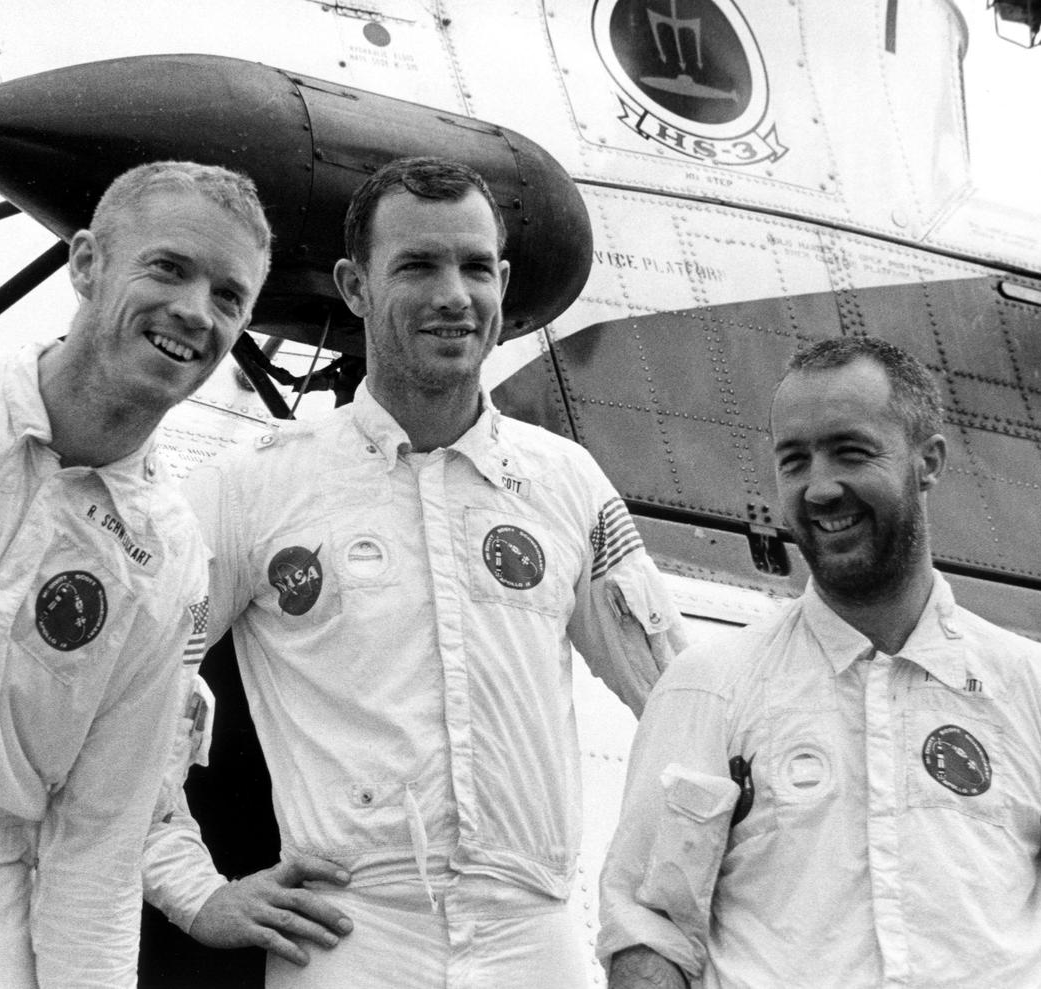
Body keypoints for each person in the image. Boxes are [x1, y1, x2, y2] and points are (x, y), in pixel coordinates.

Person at [142, 156, 687, 986]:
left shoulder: (565, 481)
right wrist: (193, 890)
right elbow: (127, 690)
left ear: (502, 281)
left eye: (474, 267)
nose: (453, 295)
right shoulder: (253, 483)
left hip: (533, 929)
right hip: (352, 927)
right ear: (355, 286)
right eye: (418, 265)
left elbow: (689, 704)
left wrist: (652, 921)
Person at [0, 160, 272, 988]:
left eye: (229, 296)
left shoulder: (170, 559)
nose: (194, 311)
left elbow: (100, 838)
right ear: (86, 263)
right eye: (168, 267)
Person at [597, 335, 1041, 988]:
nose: (819, 488)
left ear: (929, 461)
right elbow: (650, 935)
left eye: (850, 451)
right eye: (795, 460)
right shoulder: (706, 690)